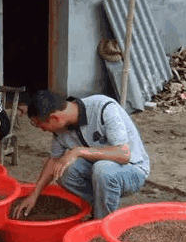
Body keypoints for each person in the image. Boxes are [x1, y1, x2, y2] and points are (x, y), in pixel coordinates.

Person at [12, 90, 150, 219]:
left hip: (132, 170)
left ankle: (101, 224)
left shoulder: (103, 108)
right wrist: (34, 194)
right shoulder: (60, 129)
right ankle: (100, 207)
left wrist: (78, 151)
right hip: (98, 169)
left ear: (55, 118)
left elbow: (123, 155)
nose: (43, 130)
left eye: (41, 126)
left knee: (103, 169)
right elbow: (54, 160)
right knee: (61, 170)